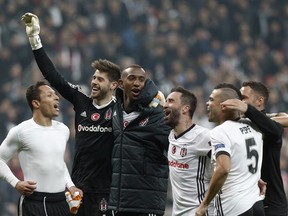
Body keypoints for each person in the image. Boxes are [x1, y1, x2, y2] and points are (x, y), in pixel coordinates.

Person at [21, 12, 121, 216]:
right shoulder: (81, 101)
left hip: (106, 191)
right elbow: (53, 77)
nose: (94, 82)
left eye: (100, 80)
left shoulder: (119, 110)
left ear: (113, 85)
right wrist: (35, 40)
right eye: (94, 78)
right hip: (76, 189)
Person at [0, 80, 82, 216]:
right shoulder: (21, 131)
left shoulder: (63, 130)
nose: (56, 97)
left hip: (61, 201)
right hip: (34, 202)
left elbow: (58, 163)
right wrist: (16, 183)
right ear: (36, 103)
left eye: (55, 95)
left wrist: (70, 185)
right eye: (50, 95)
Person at [109, 64, 170, 216]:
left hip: (147, 204)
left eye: (141, 80)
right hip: (118, 203)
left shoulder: (157, 115)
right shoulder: (114, 110)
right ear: (121, 84)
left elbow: (175, 145)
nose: (137, 83)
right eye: (132, 78)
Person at [196, 83, 265, 216]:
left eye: (211, 99)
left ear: (224, 105)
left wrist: (204, 204)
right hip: (256, 203)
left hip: (233, 206)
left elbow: (223, 169)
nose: (207, 103)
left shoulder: (220, 132)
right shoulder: (254, 125)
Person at [220, 81, 287, 216]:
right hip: (246, 202)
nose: (240, 101)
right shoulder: (238, 125)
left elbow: (275, 130)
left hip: (271, 204)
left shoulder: (271, 126)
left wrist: (247, 109)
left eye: (244, 98)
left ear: (259, 101)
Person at [163, 86, 214, 216]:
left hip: (199, 212)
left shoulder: (203, 136)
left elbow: (227, 165)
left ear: (185, 108)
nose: (165, 105)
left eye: (171, 101)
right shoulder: (171, 135)